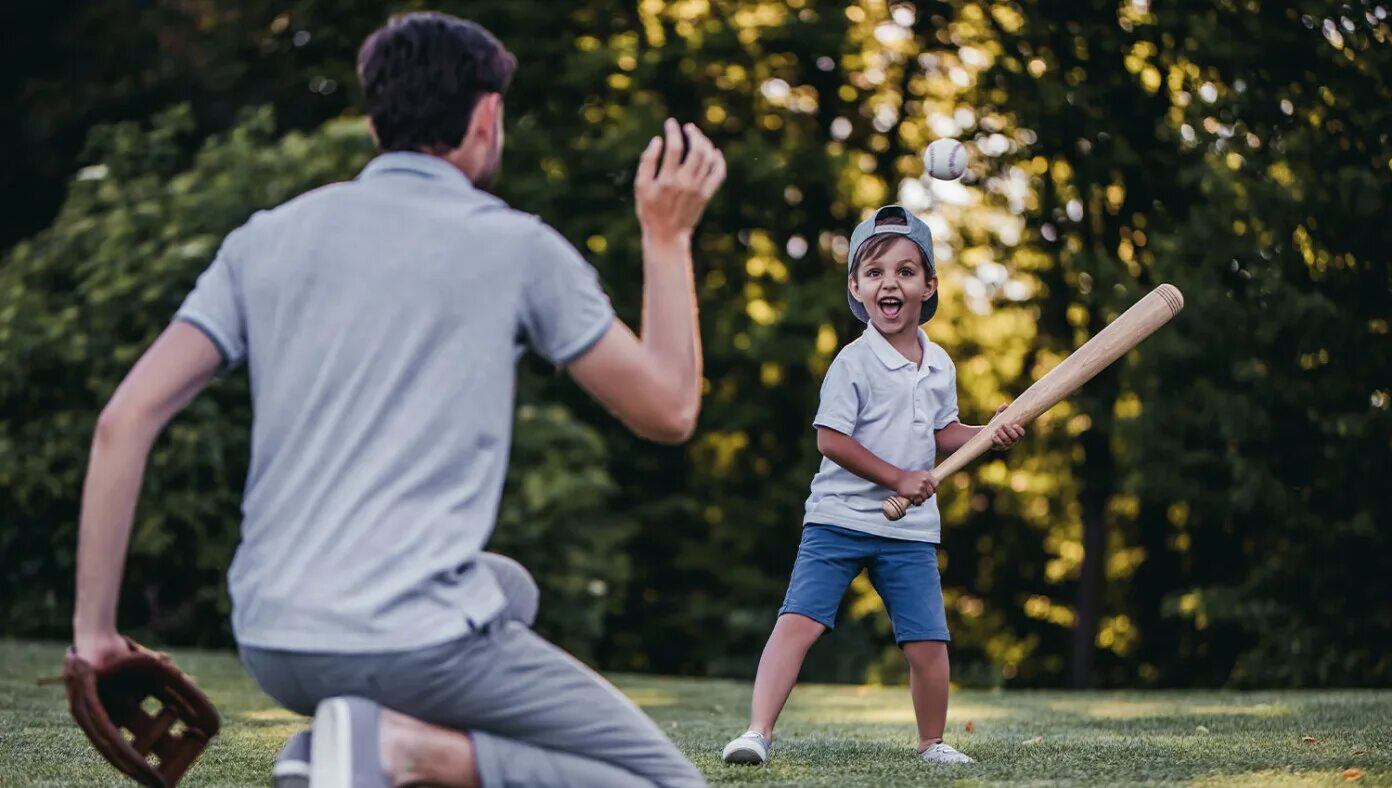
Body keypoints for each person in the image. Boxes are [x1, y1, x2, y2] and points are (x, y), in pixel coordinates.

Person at [70, 11, 724, 788]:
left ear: (377, 116)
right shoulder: (516, 246)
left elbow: (123, 420)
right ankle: (405, 752)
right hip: (411, 643)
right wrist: (666, 236)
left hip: (275, 640)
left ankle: (324, 751)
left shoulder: (264, 238)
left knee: (510, 590)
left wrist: (94, 633)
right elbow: (669, 410)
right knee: (670, 784)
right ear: (487, 116)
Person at [719, 205, 1023, 767]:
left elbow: (947, 432)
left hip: (908, 529)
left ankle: (932, 743)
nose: (892, 283)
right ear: (856, 287)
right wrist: (899, 477)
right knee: (799, 624)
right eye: (877, 271)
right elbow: (831, 441)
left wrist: (990, 433)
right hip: (837, 518)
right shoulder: (852, 363)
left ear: (928, 286)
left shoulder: (940, 364)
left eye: (907, 272)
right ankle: (756, 733)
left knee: (928, 642)